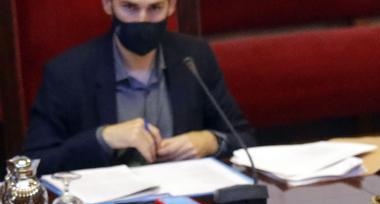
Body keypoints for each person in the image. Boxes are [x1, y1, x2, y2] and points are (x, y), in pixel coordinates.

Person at [22, 0, 254, 176]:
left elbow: (244, 139)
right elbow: (33, 164)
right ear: (107, 4)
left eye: (154, 8)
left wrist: (211, 141)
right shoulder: (67, 72)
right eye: (130, 8)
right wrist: (102, 139)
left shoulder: (194, 57)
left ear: (171, 6)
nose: (142, 20)